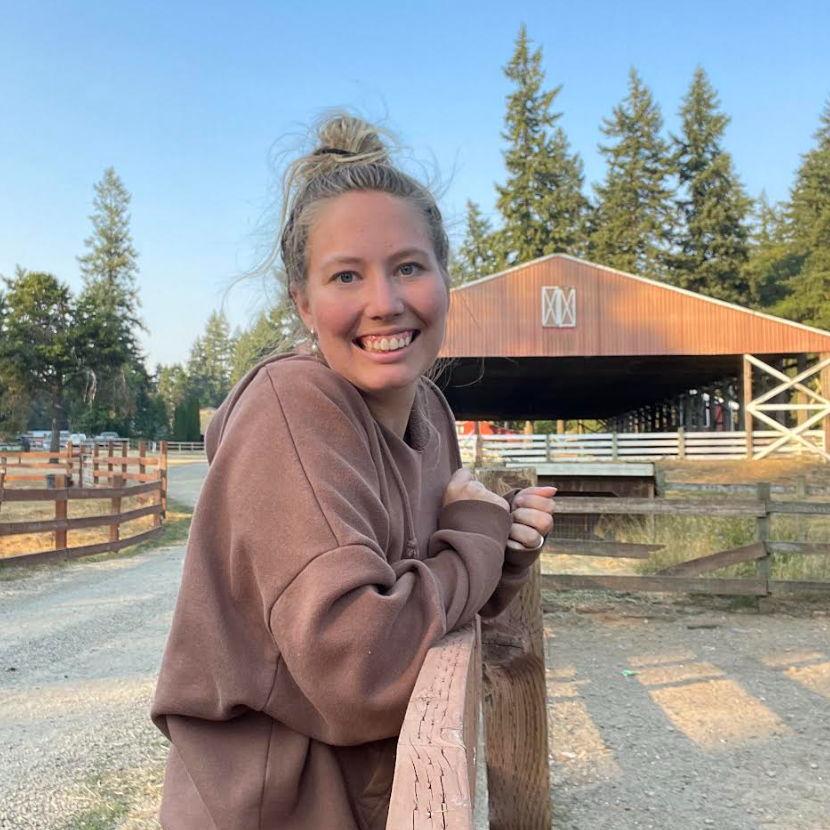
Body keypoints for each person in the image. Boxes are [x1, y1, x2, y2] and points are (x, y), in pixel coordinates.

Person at [150, 112, 555, 829]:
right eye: (346, 275)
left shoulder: (430, 414)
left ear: (445, 278)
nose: (385, 303)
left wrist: (501, 551)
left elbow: (433, 601)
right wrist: (476, 538)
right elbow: (362, 665)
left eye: (409, 267)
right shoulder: (293, 411)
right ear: (302, 303)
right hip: (275, 811)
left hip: (371, 797)